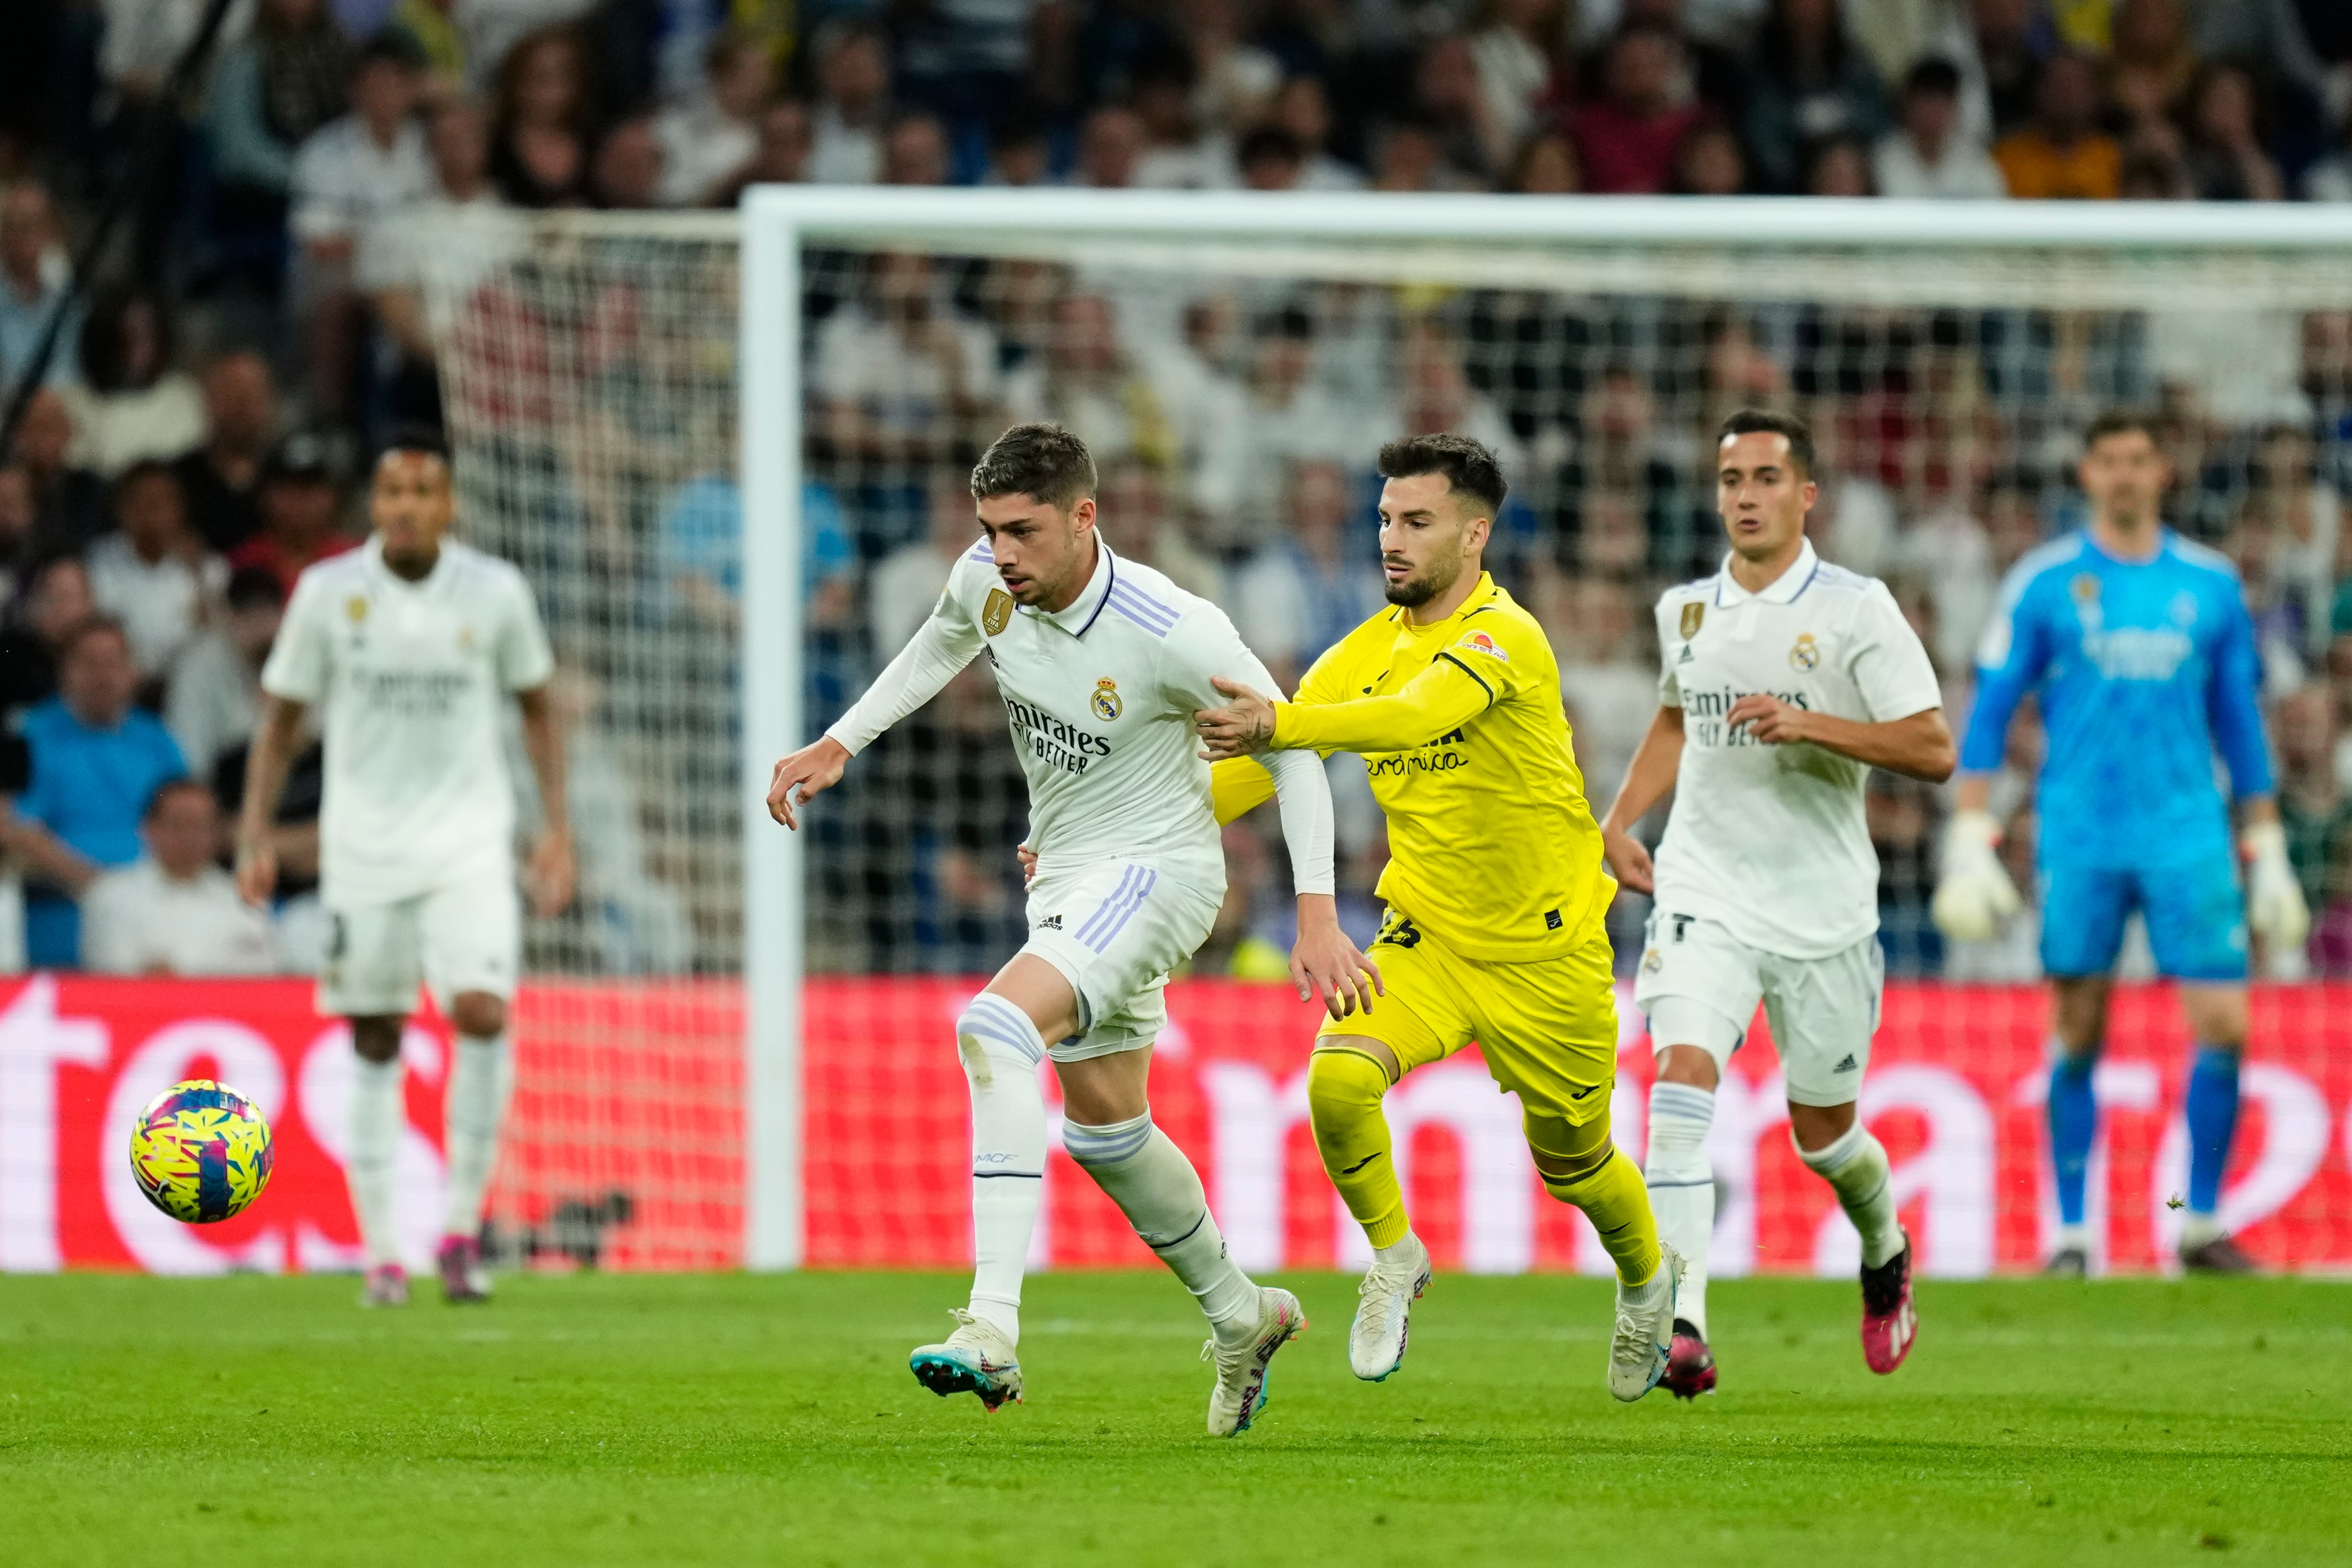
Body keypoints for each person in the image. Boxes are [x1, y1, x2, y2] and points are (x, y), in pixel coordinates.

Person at [765, 423, 1361, 1436]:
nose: (1001, 554)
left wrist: (1313, 910)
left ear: (1085, 517)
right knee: (1104, 1128)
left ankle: (990, 1329)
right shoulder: (988, 579)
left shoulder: (1172, 625)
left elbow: (1292, 742)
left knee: (992, 1030)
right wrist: (841, 740)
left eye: (1023, 532)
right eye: (990, 530)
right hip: (1068, 873)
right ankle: (1242, 1312)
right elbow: (942, 638)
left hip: (1159, 872)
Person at [1193, 433, 1683, 1402]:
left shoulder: (1507, 637)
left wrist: (1284, 721)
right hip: (1429, 934)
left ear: (1474, 534)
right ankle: (1395, 1254)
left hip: (1549, 954)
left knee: (1578, 1168)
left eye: (1415, 521)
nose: (1392, 538)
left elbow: (1417, 716)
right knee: (1336, 1083)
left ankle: (1645, 1281)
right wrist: (1122, 831)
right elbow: (1257, 769)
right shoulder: (1357, 653)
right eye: (1384, 519)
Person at [1597, 409, 1953, 1398]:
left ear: (1806, 495)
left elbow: (1932, 747)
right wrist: (1619, 819)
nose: (1744, 496)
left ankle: (1883, 1244)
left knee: (1825, 1137)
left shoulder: (1856, 608)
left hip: (1823, 909)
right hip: (1702, 887)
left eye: (1764, 478)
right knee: (1677, 1086)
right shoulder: (1687, 610)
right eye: (1729, 480)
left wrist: (1813, 725)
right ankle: (1682, 1323)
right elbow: (1677, 717)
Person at [1934, 409, 2303, 1275]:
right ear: (2088, 473)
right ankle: (2071, 1234)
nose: (2127, 475)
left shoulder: (2210, 585)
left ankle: (2200, 1223)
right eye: (2110, 461)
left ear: (2163, 471)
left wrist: (2270, 839)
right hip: (2082, 835)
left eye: (2140, 460)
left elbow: (2239, 720)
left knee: (2224, 1025)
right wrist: (1970, 827)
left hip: (2189, 835)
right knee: (2077, 1031)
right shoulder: (2046, 581)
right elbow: (1992, 707)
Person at [236, 430, 575, 1308]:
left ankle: (460, 1231)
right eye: (392, 492)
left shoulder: (496, 592)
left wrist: (556, 830)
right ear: (374, 506)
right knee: (377, 1032)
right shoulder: (327, 592)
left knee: (482, 1011)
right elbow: (279, 721)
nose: (408, 507)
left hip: (469, 841)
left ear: (449, 504)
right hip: (364, 850)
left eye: (424, 492)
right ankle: (383, 1250)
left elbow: (538, 710)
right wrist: (254, 831)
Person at [7, 617, 187, 967]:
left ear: (132, 672)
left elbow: (186, 819)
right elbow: (19, 830)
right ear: (65, 671)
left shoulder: (158, 740)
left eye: (113, 663)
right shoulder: (31, 735)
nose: (101, 676)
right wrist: (104, 891)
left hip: (156, 896)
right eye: (88, 662)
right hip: (61, 900)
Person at [83, 778, 278, 976]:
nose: (191, 837)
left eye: (201, 826)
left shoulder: (245, 898)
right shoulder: (111, 894)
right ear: (148, 828)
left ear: (218, 832)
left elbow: (261, 975)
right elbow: (109, 974)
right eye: (178, 824)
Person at [86, 460, 225, 682]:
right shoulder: (98, 562)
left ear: (180, 508)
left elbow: (220, 635)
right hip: (123, 685)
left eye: (161, 502)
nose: (151, 512)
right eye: (141, 502)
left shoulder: (208, 567)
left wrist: (197, 575)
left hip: (188, 685)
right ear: (121, 510)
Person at [1873, 56, 2009, 199]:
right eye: (1928, 101)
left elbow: (1997, 213)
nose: (1935, 111)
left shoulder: (1976, 162)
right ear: (1908, 104)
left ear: (1955, 107)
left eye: (1943, 102)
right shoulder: (1884, 159)